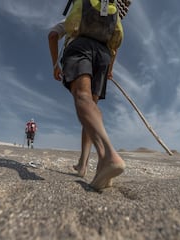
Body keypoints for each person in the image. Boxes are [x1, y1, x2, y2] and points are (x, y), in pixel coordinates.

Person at [48, 0, 132, 190]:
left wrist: (55, 64)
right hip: (103, 55)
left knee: (82, 97)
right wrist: (110, 69)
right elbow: (114, 48)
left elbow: (52, 36)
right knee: (91, 108)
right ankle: (83, 165)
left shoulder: (73, 18)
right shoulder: (110, 15)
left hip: (80, 47)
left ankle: (107, 156)